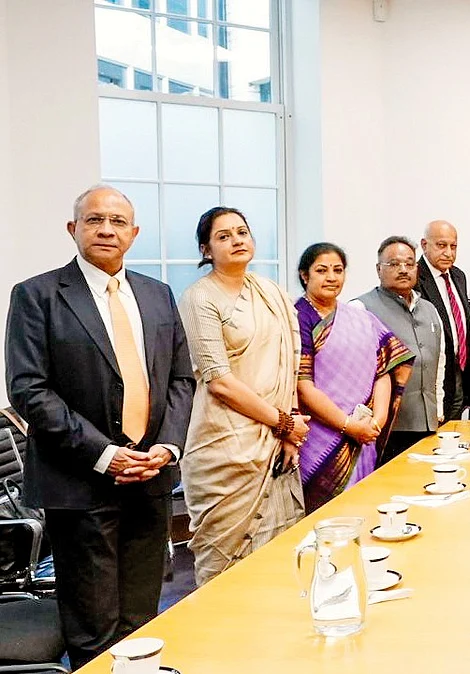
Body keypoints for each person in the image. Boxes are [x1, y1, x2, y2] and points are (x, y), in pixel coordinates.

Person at [5, 185, 194, 668]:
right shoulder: (38, 295)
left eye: (117, 221)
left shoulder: (157, 295)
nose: (106, 229)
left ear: (133, 233)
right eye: (93, 220)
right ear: (73, 229)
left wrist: (168, 448)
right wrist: (105, 454)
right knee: (93, 626)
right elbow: (29, 390)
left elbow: (181, 379)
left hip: (151, 477)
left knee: (144, 619)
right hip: (79, 482)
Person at [178, 207, 308, 586]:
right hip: (226, 446)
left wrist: (289, 429)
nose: (236, 240)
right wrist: (283, 422)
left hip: (276, 439)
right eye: (223, 236)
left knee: (280, 559)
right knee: (225, 567)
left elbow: (291, 364)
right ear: (206, 249)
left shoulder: (271, 292)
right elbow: (218, 379)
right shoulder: (199, 298)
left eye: (242, 232)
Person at [295, 243, 414, 512]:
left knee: (364, 514)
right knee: (325, 521)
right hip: (319, 439)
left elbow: (383, 370)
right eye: (322, 270)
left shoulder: (361, 318)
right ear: (305, 275)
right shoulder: (297, 318)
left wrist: (377, 421)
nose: (331, 277)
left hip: (365, 436)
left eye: (338, 270)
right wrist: (348, 426)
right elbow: (303, 386)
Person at [352, 236, 445, 463]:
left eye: (409, 263)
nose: (403, 270)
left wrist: (439, 409)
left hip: (428, 423)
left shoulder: (430, 309)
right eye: (394, 264)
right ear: (378, 269)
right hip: (384, 429)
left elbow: (439, 363)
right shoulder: (360, 309)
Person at [416, 220, 470, 421]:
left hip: (460, 373)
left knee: (454, 435)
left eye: (453, 246)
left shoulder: (458, 276)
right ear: (424, 245)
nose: (448, 253)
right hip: (432, 378)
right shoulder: (414, 278)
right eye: (441, 245)